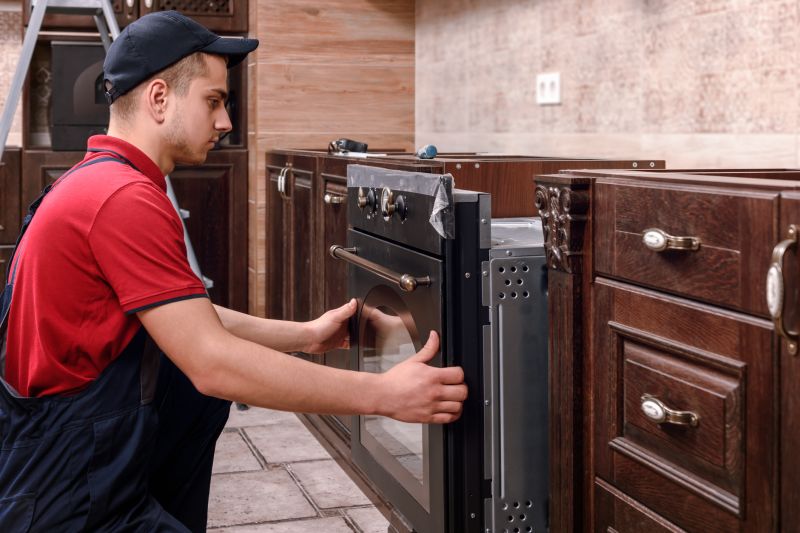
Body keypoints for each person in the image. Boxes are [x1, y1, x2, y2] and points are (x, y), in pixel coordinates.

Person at [0, 11, 467, 532]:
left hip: (72, 463)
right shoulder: (122, 199)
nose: (225, 122)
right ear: (159, 98)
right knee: (200, 378)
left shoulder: (100, 181)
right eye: (213, 101)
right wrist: (383, 395)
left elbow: (186, 317)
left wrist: (309, 336)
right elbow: (211, 361)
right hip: (67, 493)